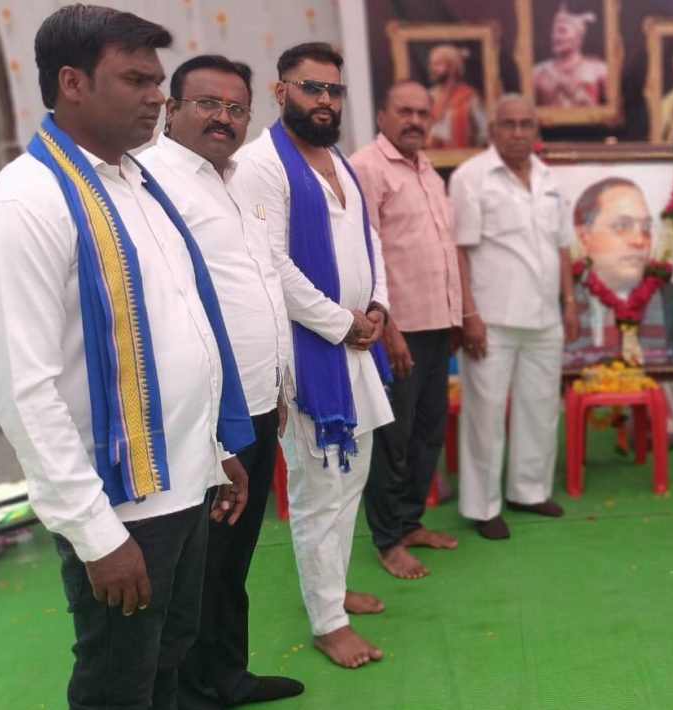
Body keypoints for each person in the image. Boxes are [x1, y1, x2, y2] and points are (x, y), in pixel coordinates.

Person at [0, 6, 255, 707]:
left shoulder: (134, 183)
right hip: (121, 505)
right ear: (72, 82)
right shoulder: (21, 208)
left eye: (157, 81)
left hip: (184, 480)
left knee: (168, 658)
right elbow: (27, 393)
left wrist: (214, 450)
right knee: (118, 682)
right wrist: (95, 535)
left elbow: (178, 326)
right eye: (136, 80)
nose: (157, 96)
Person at [140, 55, 304, 706]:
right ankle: (193, 692)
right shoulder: (153, 183)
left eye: (237, 108)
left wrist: (277, 383)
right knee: (199, 570)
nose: (223, 118)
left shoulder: (237, 180)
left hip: (256, 404)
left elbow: (261, 286)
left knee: (233, 560)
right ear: (171, 108)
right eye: (207, 103)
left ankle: (229, 676)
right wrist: (214, 431)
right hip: (206, 418)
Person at [232, 42, 394, 670]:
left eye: (334, 90)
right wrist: (339, 322)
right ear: (280, 92)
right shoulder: (261, 164)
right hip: (309, 354)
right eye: (311, 87)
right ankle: (328, 621)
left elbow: (369, 240)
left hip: (354, 344)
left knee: (350, 479)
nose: (325, 100)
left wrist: (377, 305)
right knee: (320, 487)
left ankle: (334, 586)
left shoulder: (337, 160)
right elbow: (271, 262)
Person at [449, 95, 580, 540]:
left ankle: (529, 490)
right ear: (493, 131)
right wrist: (469, 314)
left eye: (527, 124)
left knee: (540, 408)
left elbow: (563, 245)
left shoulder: (548, 177)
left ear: (537, 130)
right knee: (484, 415)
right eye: (509, 124)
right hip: (492, 319)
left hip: (545, 316)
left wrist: (569, 301)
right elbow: (459, 252)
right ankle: (482, 505)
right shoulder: (471, 177)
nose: (519, 132)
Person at [350, 81, 462, 581]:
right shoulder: (367, 168)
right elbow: (365, 255)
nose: (415, 120)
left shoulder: (427, 170)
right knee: (393, 439)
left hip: (437, 325)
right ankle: (388, 539)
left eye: (423, 113)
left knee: (427, 432)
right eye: (405, 111)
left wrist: (457, 316)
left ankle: (412, 522)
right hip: (399, 331)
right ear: (382, 116)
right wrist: (389, 328)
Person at [567, 177, 673, 367]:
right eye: (622, 226)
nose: (639, 240)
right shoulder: (560, 302)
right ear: (583, 238)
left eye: (646, 227)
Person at [533, 4, 607, 108]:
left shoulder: (599, 70)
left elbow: (613, 109)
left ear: (578, 36)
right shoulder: (538, 73)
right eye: (553, 31)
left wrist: (575, 92)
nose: (555, 36)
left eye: (562, 31)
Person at [426, 44, 487, 149]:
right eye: (432, 64)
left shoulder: (469, 96)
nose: (432, 69)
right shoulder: (430, 95)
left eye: (438, 64)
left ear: (452, 67)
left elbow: (483, 132)